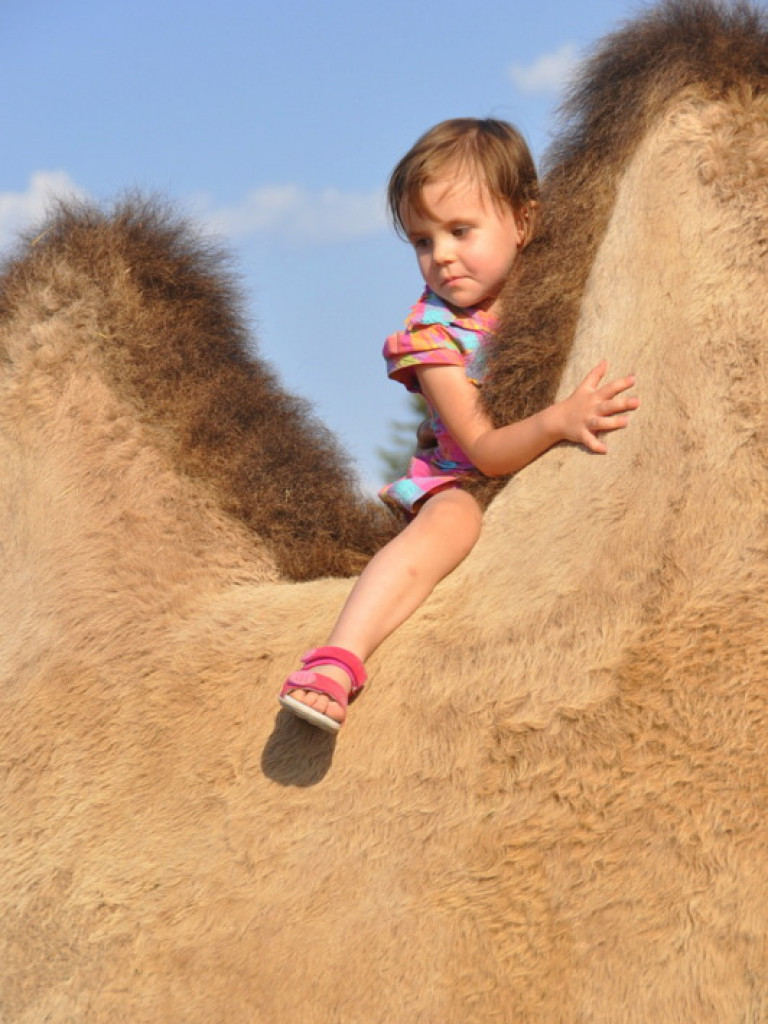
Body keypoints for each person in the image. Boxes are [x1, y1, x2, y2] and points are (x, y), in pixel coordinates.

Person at [279, 117, 639, 733]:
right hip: (461, 477)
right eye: (423, 240)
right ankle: (338, 658)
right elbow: (485, 451)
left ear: (523, 223)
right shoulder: (435, 335)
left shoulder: (551, 292)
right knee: (453, 523)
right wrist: (559, 418)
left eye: (460, 231)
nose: (441, 255)